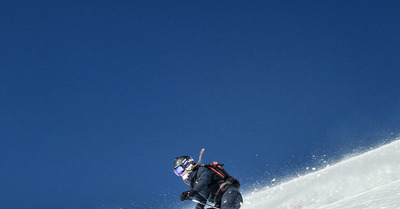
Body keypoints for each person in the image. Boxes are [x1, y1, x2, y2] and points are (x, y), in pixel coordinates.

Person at [173, 155, 243, 209]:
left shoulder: (201, 170)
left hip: (228, 193)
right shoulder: (193, 185)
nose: (180, 174)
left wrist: (191, 192)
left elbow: (204, 180)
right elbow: (201, 200)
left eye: (180, 170)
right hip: (219, 202)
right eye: (177, 172)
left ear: (187, 164)